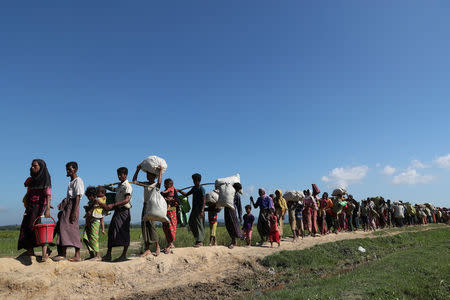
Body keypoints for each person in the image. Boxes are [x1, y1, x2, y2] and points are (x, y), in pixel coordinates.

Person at [18, 159, 52, 262]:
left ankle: (45, 252)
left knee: (37, 227)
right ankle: (30, 250)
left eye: (35, 166)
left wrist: (47, 209)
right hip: (30, 206)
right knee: (25, 227)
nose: (32, 167)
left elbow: (48, 195)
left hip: (39, 206)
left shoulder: (45, 178)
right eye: (32, 166)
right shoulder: (31, 179)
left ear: (41, 167)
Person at [54, 161, 84, 262]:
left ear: (75, 169)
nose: (67, 171)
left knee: (73, 229)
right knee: (62, 227)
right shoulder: (71, 182)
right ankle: (62, 253)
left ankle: (77, 255)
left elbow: (78, 197)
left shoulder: (78, 181)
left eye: (69, 169)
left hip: (73, 206)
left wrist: (74, 212)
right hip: (68, 206)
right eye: (67, 169)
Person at [101, 167, 133, 261]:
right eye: (118, 174)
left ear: (125, 175)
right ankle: (108, 254)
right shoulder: (120, 186)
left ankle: (123, 255)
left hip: (124, 212)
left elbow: (127, 200)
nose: (119, 176)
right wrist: (106, 187)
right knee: (111, 230)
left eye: (121, 175)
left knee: (124, 231)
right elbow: (115, 190)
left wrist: (114, 204)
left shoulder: (127, 186)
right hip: (118, 211)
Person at [131, 164, 162, 256]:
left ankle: (157, 247)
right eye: (147, 175)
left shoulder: (156, 184)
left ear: (154, 176)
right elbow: (134, 181)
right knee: (144, 226)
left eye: (150, 175)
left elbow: (160, 183)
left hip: (152, 206)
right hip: (145, 205)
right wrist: (138, 169)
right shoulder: (145, 184)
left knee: (151, 226)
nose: (148, 177)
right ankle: (147, 248)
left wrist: (160, 172)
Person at [177, 173, 206, 247]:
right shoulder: (194, 188)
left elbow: (204, 200)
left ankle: (200, 241)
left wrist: (202, 210)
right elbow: (186, 194)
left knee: (199, 224)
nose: (193, 182)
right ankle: (197, 239)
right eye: (193, 180)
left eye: (195, 180)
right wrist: (179, 191)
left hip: (199, 210)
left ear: (198, 180)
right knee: (191, 223)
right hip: (194, 209)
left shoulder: (201, 189)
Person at [82, 186, 105, 260]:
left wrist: (89, 209)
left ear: (93, 195)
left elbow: (96, 209)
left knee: (94, 238)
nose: (89, 198)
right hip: (89, 221)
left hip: (95, 221)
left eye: (89, 196)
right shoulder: (90, 202)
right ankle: (91, 254)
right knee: (86, 238)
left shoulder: (98, 200)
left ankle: (97, 255)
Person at [224, 183, 243, 249]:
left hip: (232, 211)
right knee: (228, 225)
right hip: (226, 210)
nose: (237, 191)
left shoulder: (237, 195)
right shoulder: (228, 193)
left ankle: (234, 241)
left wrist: (240, 216)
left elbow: (239, 206)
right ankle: (233, 240)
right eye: (237, 189)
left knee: (233, 225)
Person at [161, 178, 178, 254]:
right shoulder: (165, 191)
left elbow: (177, 200)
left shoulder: (173, 190)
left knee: (171, 227)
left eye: (166, 184)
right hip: (165, 212)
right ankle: (170, 243)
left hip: (172, 211)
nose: (164, 185)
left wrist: (170, 200)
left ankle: (170, 244)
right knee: (166, 227)